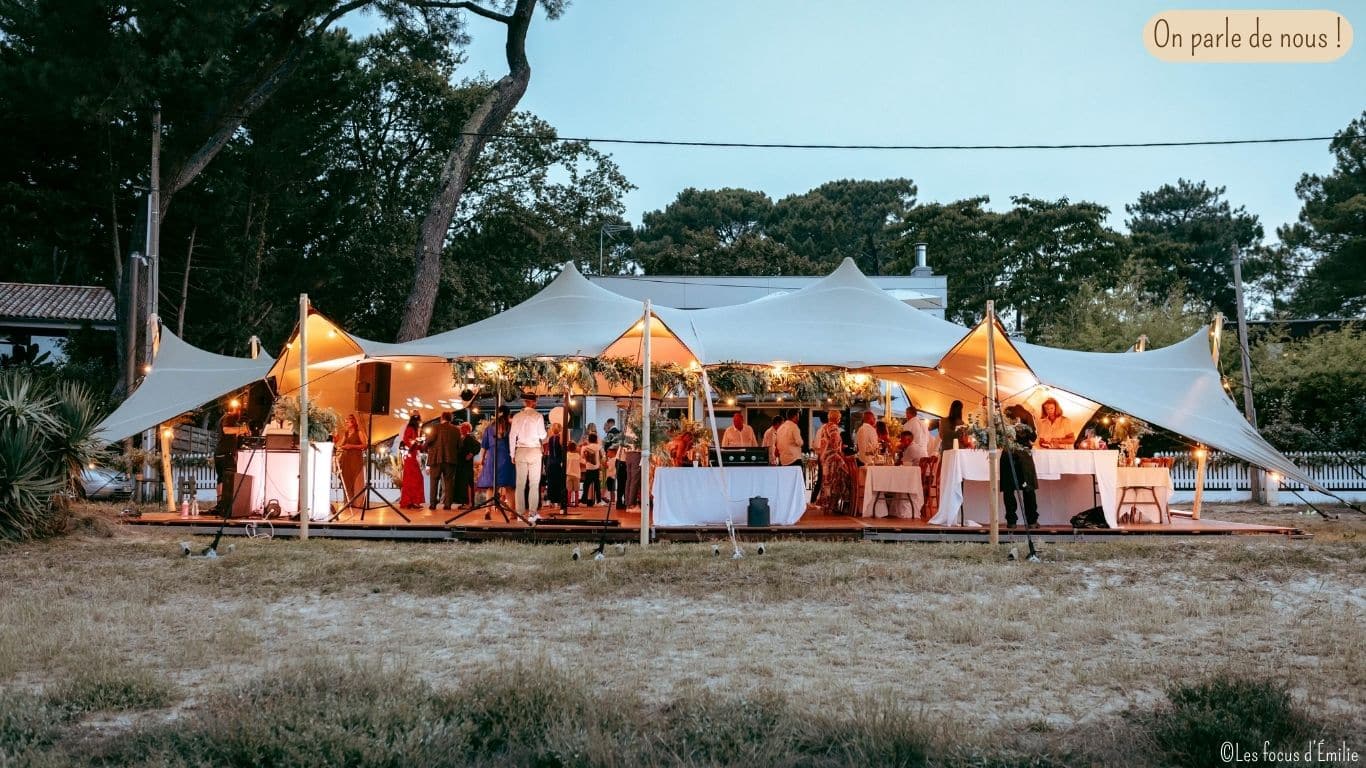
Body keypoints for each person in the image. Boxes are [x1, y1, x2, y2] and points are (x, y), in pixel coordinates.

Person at [1001, 404, 1040, 529]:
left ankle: (1011, 521)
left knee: (1008, 489)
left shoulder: (1004, 415)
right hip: (1023, 454)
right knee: (1028, 487)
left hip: (1007, 453)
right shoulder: (1027, 414)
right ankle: (1032, 521)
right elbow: (1033, 436)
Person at [510, 392, 547, 519]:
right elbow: (543, 435)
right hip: (534, 450)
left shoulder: (516, 416)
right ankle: (532, 512)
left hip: (520, 449)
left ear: (524, 402)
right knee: (534, 483)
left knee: (519, 484)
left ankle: (520, 513)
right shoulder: (538, 416)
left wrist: (512, 454)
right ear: (534, 402)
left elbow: (512, 436)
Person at [476, 406, 514, 506]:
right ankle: (512, 513)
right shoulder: (511, 427)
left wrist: (482, 459)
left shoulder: (489, 428)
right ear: (508, 414)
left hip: (492, 457)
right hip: (506, 457)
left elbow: (484, 446)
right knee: (509, 487)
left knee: (491, 486)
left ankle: (487, 509)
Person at [814, 409, 851, 513]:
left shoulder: (824, 427)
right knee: (839, 479)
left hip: (825, 458)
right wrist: (840, 453)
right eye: (839, 418)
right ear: (837, 419)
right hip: (833, 458)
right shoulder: (834, 428)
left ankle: (827, 505)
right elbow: (834, 444)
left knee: (827, 482)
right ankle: (835, 505)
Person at [213, 404, 248, 512]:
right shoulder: (229, 417)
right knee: (228, 479)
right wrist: (242, 429)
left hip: (220, 453)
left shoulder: (223, 418)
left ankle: (219, 504)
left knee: (221, 479)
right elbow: (227, 430)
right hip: (226, 453)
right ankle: (225, 505)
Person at [335, 414, 367, 512]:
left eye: (347, 422)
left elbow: (364, 445)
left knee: (357, 480)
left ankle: (358, 503)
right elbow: (340, 444)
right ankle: (348, 502)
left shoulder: (359, 433)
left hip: (356, 458)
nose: (346, 424)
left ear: (353, 422)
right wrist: (337, 441)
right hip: (346, 459)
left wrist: (351, 446)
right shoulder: (346, 433)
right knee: (347, 479)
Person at [399, 412, 425, 510]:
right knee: (415, 480)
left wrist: (421, 445)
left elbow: (414, 443)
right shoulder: (410, 429)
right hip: (410, 457)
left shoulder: (413, 430)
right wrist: (416, 442)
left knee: (412, 480)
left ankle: (411, 501)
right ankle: (412, 502)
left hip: (412, 457)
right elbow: (407, 441)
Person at [453, 420, 479, 507]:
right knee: (462, 484)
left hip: (466, 465)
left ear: (467, 429)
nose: (460, 428)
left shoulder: (470, 437)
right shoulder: (462, 438)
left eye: (462, 427)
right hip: (461, 465)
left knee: (467, 483)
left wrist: (471, 454)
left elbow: (477, 446)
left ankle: (470, 503)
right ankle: (464, 503)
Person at [545, 422, 566, 510]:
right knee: (558, 483)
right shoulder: (560, 439)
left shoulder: (550, 439)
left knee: (551, 483)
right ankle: (558, 501)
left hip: (551, 463)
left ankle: (551, 501)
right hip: (558, 463)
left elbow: (549, 452)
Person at [580, 433, 603, 505]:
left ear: (588, 439)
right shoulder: (599, 447)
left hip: (588, 468)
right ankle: (599, 501)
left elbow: (582, 457)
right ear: (596, 439)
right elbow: (601, 456)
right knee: (597, 485)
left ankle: (584, 500)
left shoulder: (585, 448)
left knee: (586, 485)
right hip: (596, 468)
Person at [565, 440, 582, 506]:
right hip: (576, 475)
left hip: (569, 474)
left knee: (569, 491)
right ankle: (576, 503)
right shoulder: (577, 455)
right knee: (576, 490)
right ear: (575, 448)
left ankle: (569, 503)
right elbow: (582, 462)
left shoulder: (567, 455)